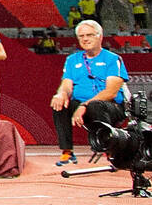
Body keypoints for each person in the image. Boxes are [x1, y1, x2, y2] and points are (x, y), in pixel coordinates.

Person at [50, 20, 128, 166]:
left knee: (96, 105)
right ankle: (67, 151)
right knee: (60, 104)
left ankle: (109, 148)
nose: (85, 39)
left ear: (100, 36)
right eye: (81, 36)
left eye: (89, 35)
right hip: (82, 106)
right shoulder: (72, 60)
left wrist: (84, 105)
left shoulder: (112, 59)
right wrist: (61, 94)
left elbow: (110, 92)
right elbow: (66, 85)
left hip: (111, 107)